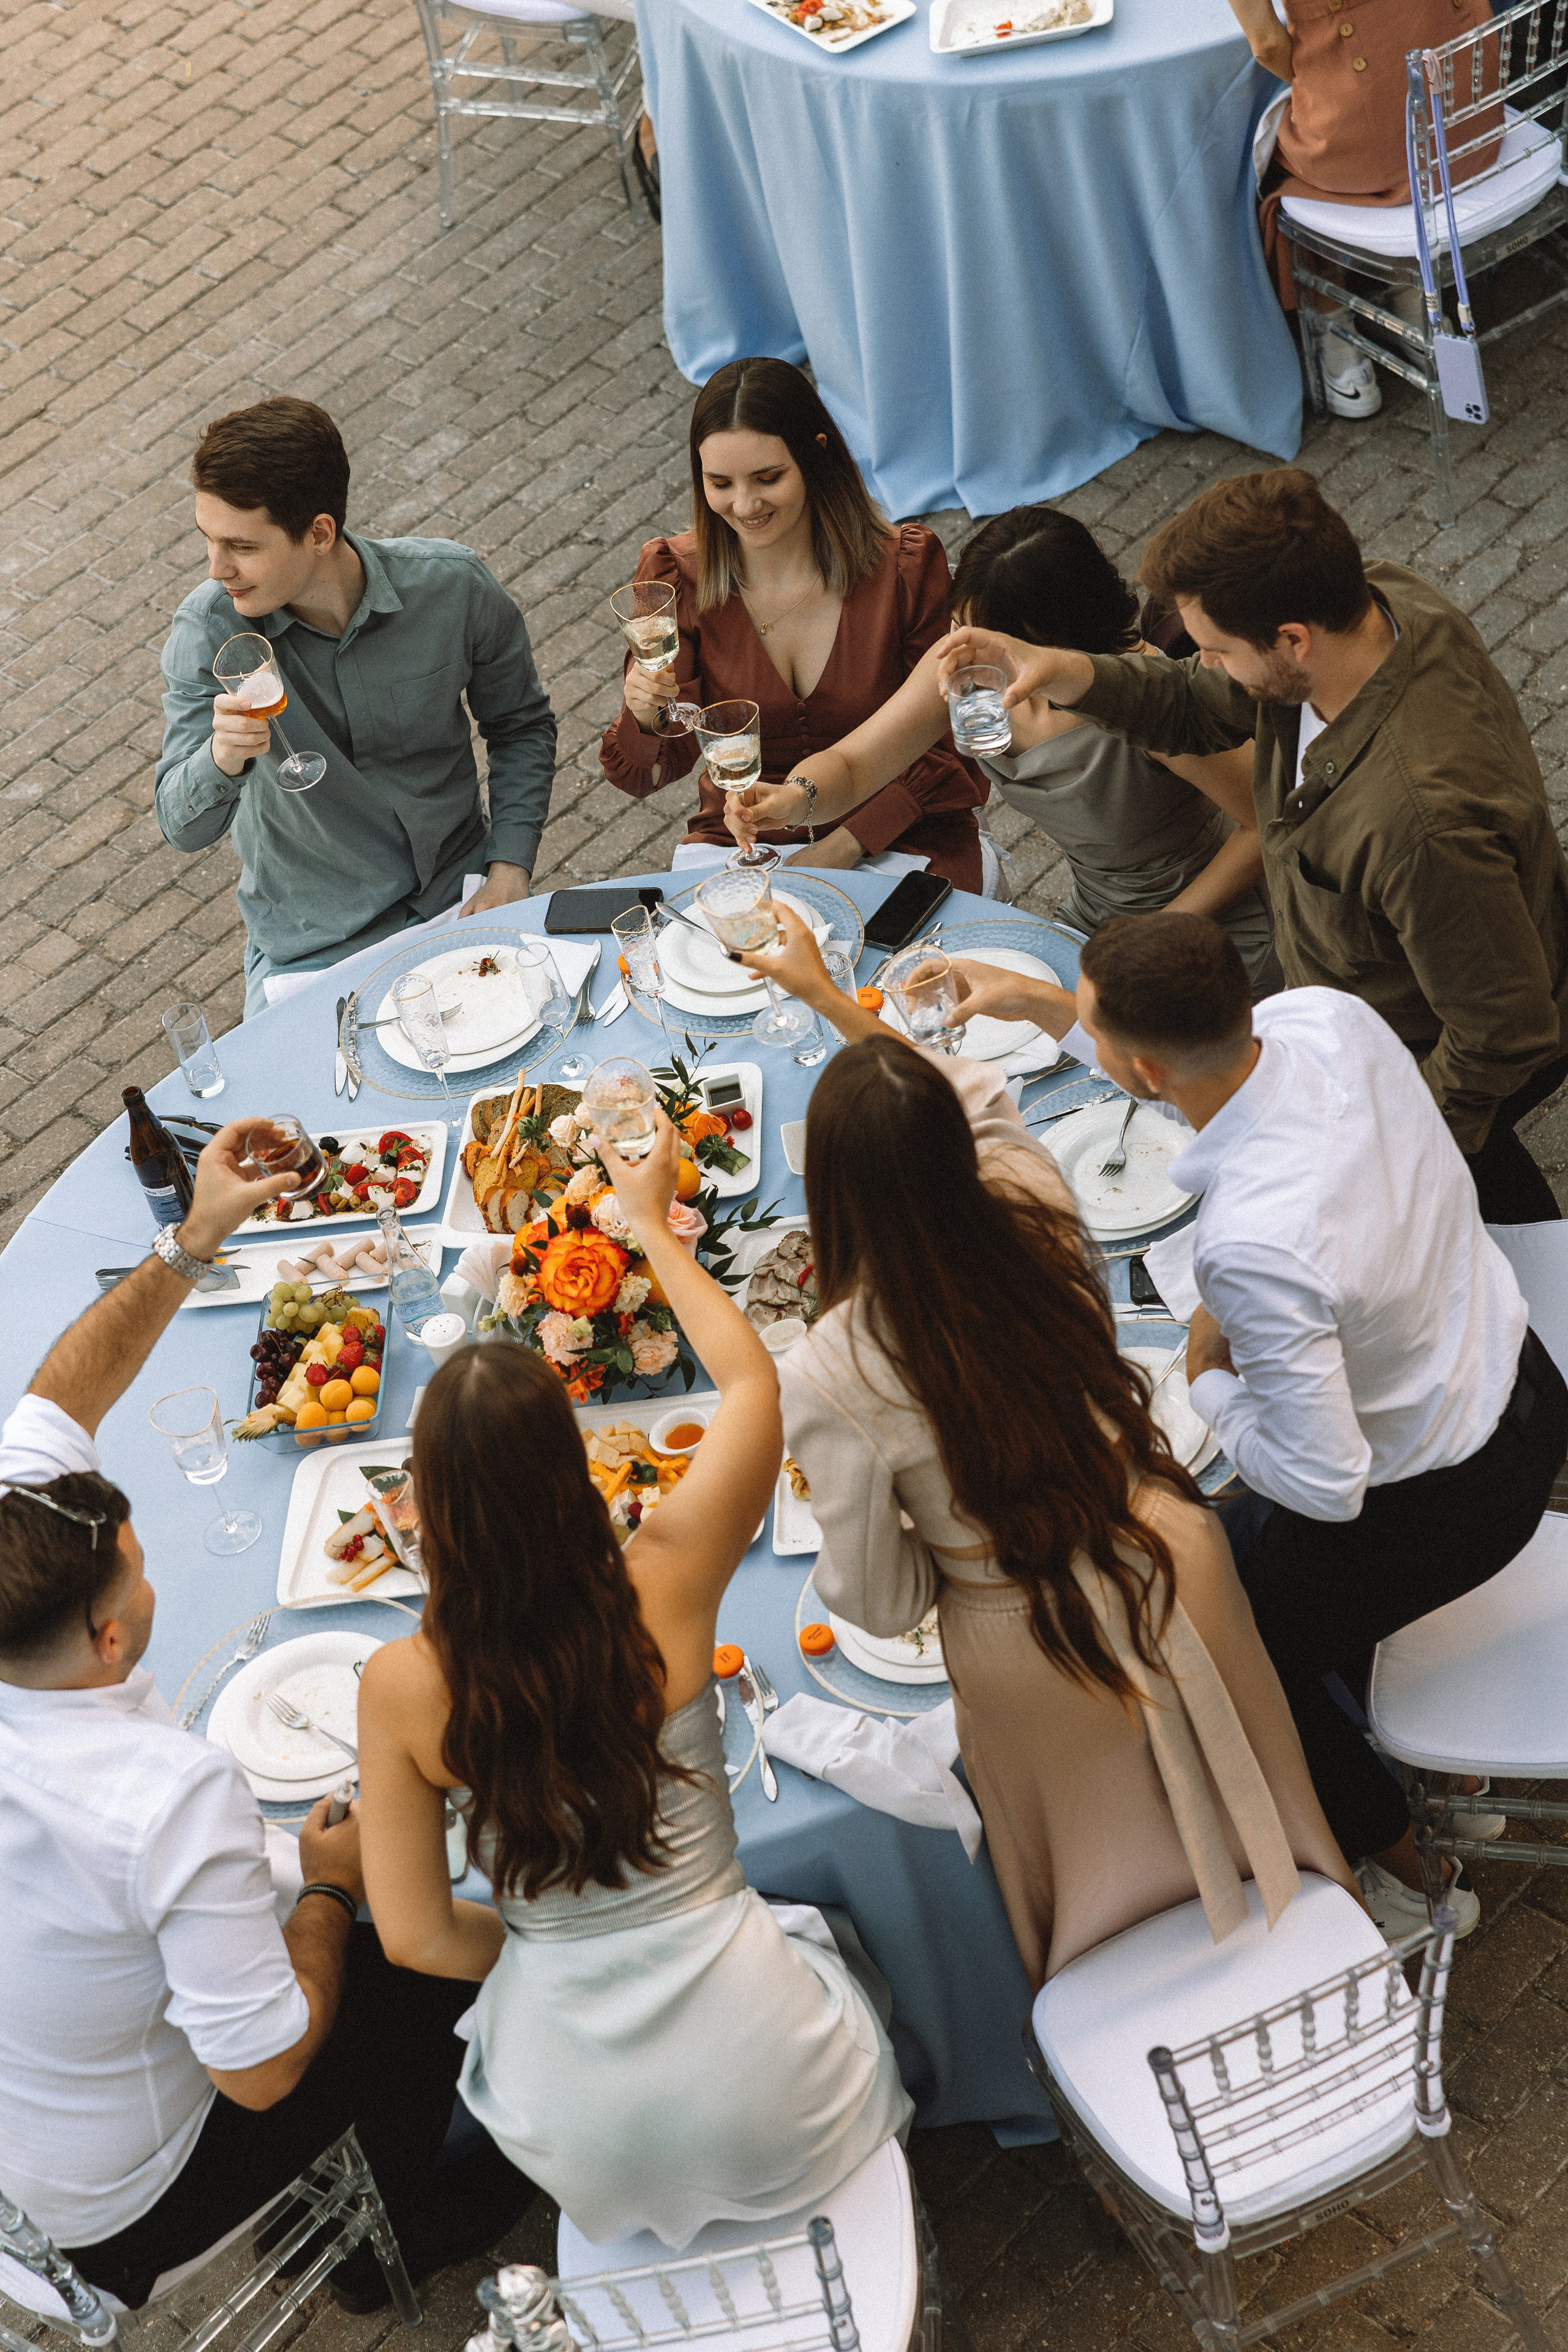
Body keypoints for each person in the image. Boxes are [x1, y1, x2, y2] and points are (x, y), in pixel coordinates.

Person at [728, 911, 1357, 1989]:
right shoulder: (1033, 1199)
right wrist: (836, 1002)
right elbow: (972, 1094)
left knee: (1101, 1869)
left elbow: (876, 1604)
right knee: (1251, 1765)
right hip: (1167, 1547)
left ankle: (1154, 2031)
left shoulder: (833, 1365)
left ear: (831, 1193)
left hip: (1028, 1638)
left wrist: (956, 1553)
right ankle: (1315, 1943)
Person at [937, 908, 1567, 1937]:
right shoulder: (1325, 1017)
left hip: (1451, 1493)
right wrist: (1038, 1004)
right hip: (1519, 1365)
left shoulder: (1254, 1243)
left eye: (1091, 1027)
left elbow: (1325, 1484)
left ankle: (1413, 1874)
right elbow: (1195, 1070)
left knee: (1224, 1638)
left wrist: (1208, 1380)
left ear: (1138, 1065)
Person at [354, 1109, 911, 2250]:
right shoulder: (664, 1583)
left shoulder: (400, 1686)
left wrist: (557, 1958)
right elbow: (755, 1386)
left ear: (430, 1509)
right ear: (571, 1472)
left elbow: (412, 1939)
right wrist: (654, 1227)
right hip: (773, 2076)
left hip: (576, 2127)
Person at [0, 1120, 532, 2311]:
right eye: (138, 1569)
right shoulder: (156, 1802)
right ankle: (392, 2231)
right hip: (129, 2196)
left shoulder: (14, 1559)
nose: (151, 1576)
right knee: (420, 1946)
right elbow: (261, 2067)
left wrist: (196, 1237)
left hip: (30, 2088)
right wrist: (336, 1888)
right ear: (107, 1636)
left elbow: (55, 1394)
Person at [939, 466, 1568, 1222]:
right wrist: (1069, 672)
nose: (1200, 661)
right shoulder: (1368, 604)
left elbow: (1501, 1034)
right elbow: (1197, 705)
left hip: (1415, 1059)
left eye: (1214, 648)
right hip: (1354, 1011)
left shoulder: (1420, 824)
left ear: (1292, 642)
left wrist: (1390, 1146)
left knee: (1485, 1211)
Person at [728, 507, 1279, 992]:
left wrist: (1165, 929)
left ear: (1045, 636)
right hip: (1098, 915)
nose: (958, 647)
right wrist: (794, 799)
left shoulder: (1141, 695)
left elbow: (1265, 826)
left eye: (979, 635)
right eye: (957, 623)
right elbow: (852, 765)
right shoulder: (968, 663)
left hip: (1209, 923)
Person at [156, 397, 558, 1017]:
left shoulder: (453, 588)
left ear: (319, 533)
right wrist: (220, 759)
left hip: (461, 894)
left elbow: (520, 726)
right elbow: (182, 827)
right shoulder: (209, 632)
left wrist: (510, 867)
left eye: (241, 545)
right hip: (316, 950)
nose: (217, 569)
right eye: (208, 540)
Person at [598, 357, 990, 890]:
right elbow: (645, 774)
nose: (744, 505)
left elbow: (950, 745)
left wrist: (843, 846)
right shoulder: (673, 576)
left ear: (816, 454)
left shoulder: (905, 568)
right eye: (720, 483)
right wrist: (644, 720)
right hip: (742, 843)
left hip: (904, 833)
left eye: (768, 478)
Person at [1226, 0, 1499, 418]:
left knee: (1277, 162)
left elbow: (1266, 45)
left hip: (1381, 145)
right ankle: (1411, 298)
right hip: (1470, 116)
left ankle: (1332, 325)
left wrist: (1324, 79)